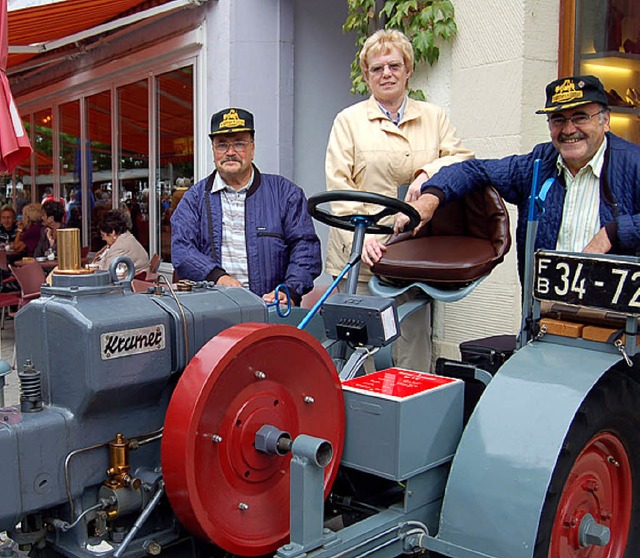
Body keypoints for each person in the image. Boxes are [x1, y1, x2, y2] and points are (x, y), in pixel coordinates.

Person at [363, 75, 640, 277]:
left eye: (580, 117)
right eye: (558, 120)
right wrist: (428, 200)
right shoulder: (539, 164)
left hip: (617, 325)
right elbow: (474, 169)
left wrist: (613, 232)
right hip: (545, 316)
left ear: (605, 120)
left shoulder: (632, 163)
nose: (568, 129)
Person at [325, 29, 474, 371]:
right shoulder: (348, 122)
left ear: (408, 69)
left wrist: (427, 172)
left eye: (394, 65)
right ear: (366, 76)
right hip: (361, 259)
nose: (386, 74)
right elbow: (338, 187)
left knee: (413, 347)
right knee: (361, 353)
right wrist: (361, 241)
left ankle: (414, 417)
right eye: (377, 69)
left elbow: (464, 160)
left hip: (414, 256)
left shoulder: (433, 117)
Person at [171, 107, 321, 306]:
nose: (230, 152)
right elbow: (182, 250)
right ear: (213, 151)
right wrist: (218, 278)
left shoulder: (285, 193)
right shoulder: (194, 199)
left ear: (252, 148)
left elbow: (305, 247)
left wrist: (291, 291)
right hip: (213, 309)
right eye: (222, 145)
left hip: (272, 309)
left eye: (239, 144)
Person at [94, 210, 150, 274]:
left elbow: (105, 273)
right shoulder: (127, 237)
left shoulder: (119, 246)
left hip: (130, 281)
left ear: (113, 232)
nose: (103, 239)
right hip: (135, 279)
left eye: (103, 235)